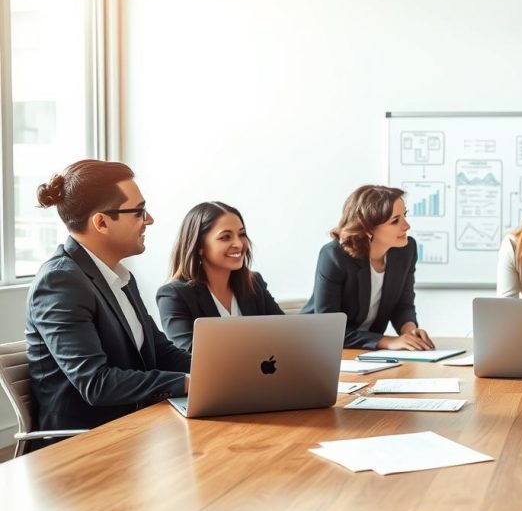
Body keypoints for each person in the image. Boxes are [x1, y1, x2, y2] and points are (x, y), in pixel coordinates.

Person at [25, 159, 191, 446]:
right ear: (101, 222)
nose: (149, 220)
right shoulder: (59, 282)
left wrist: (217, 371)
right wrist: (187, 383)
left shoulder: (119, 277)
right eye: (139, 212)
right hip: (82, 447)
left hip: (134, 431)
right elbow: (96, 383)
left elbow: (161, 351)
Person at [302, 185, 434, 351]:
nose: (406, 226)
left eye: (405, 216)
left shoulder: (406, 251)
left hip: (366, 352)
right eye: (395, 221)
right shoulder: (334, 256)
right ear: (368, 228)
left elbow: (403, 304)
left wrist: (409, 330)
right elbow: (328, 331)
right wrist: (387, 341)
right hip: (318, 349)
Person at [156, 202, 284, 352]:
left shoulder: (254, 283)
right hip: (217, 376)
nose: (238, 244)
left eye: (241, 234)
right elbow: (192, 357)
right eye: (225, 237)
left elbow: (286, 336)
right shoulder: (174, 295)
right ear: (200, 246)